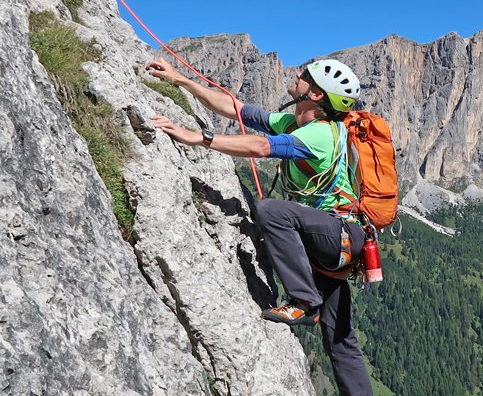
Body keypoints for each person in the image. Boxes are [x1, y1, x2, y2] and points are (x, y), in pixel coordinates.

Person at [147, 57, 373, 396]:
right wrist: (182, 80)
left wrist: (197, 138)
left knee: (272, 212)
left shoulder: (320, 135)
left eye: (305, 76)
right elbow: (237, 109)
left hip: (337, 233)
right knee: (339, 337)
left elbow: (261, 147)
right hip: (336, 240)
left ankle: (304, 301)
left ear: (314, 94)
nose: (297, 75)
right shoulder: (293, 122)